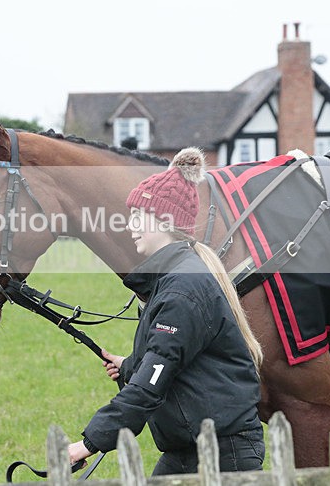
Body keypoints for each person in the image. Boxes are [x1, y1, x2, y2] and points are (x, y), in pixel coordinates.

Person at [68, 147, 265, 476]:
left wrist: (86, 444)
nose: (130, 225)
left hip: (222, 453)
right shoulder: (174, 279)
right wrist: (129, 365)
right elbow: (173, 356)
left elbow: (151, 383)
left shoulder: (182, 289)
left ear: (166, 220)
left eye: (138, 216)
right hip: (193, 446)